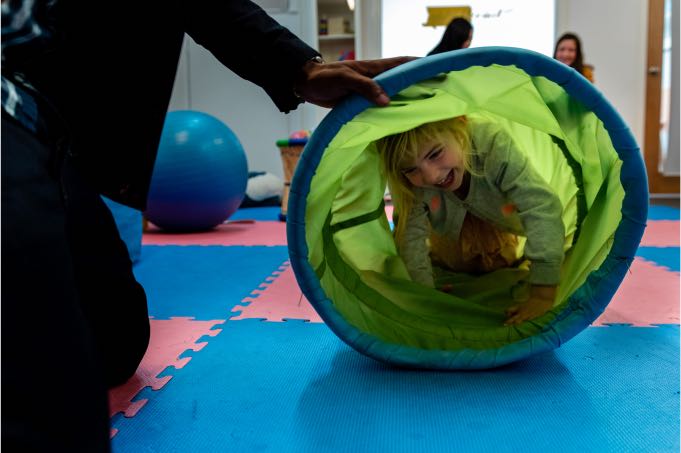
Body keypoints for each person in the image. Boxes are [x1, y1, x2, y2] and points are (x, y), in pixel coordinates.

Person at [1, 0, 412, 451]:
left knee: (116, 342)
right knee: (44, 385)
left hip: (42, 122)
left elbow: (203, 5)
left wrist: (300, 68)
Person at [376, 116, 569, 326]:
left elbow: (541, 205)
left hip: (505, 220)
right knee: (452, 263)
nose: (431, 176)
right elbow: (410, 237)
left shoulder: (491, 144)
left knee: (508, 260)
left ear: (460, 125)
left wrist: (542, 294)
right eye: (411, 169)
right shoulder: (411, 183)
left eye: (435, 154)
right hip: (449, 234)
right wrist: (425, 294)